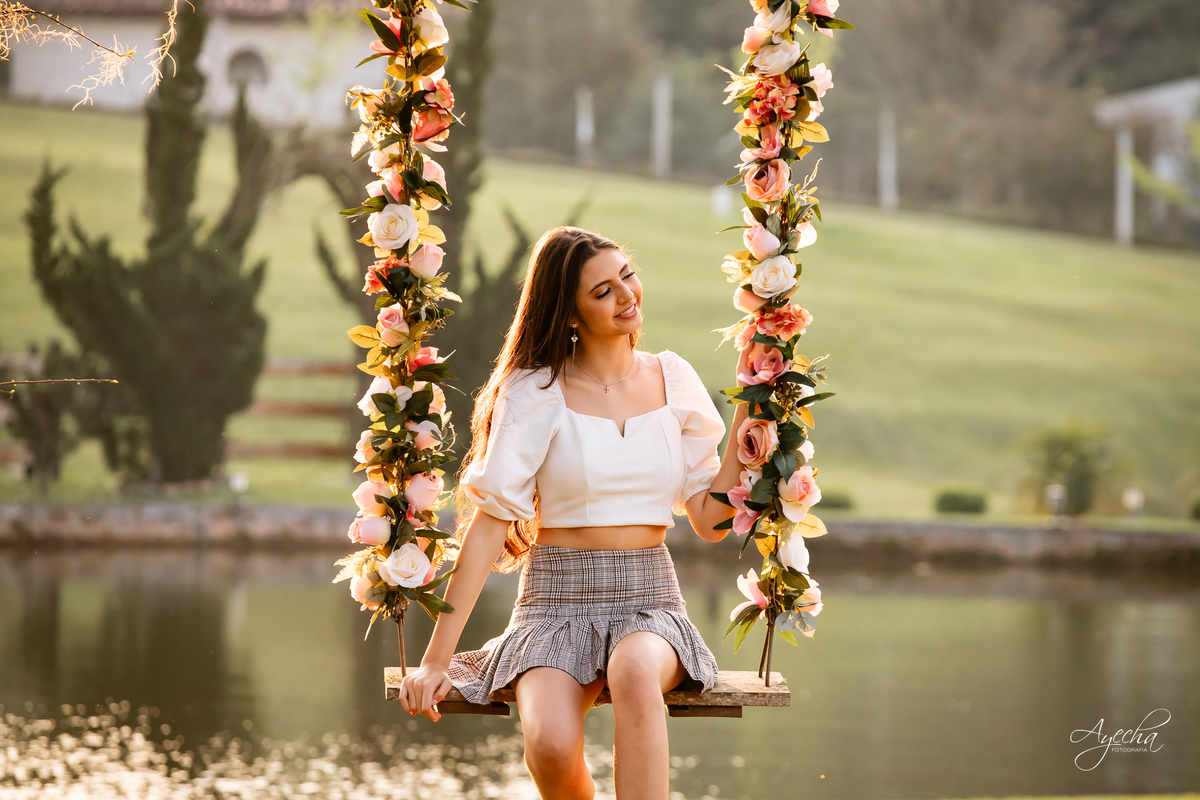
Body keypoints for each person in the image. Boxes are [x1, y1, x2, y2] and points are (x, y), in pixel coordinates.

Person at [396, 226, 752, 800]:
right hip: (554, 601)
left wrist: (745, 418)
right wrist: (435, 660)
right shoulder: (535, 390)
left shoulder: (673, 378)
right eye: (603, 291)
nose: (626, 296)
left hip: (649, 600)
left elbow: (711, 521)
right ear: (569, 312)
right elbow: (488, 529)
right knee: (552, 747)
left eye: (627, 277)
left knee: (636, 672)